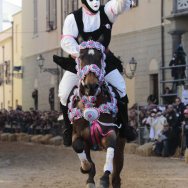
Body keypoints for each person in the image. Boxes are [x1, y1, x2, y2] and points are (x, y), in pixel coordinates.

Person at [58, 0, 137, 146]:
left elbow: (118, 6)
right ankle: (68, 129)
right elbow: (67, 41)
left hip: (103, 60)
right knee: (63, 93)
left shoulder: (106, 11)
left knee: (121, 87)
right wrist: (83, 54)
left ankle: (125, 127)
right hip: (80, 62)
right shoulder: (72, 18)